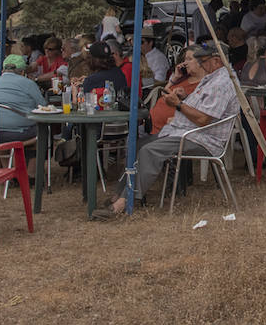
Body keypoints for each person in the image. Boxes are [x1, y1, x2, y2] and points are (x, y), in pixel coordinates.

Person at [92, 44, 238, 217]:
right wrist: (184, 98)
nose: (200, 64)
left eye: (203, 60)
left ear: (217, 61)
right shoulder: (212, 78)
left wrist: (178, 104)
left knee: (149, 150)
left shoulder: (221, 84)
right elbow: (202, 109)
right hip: (187, 132)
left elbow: (203, 119)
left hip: (202, 138)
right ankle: (119, 194)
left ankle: (124, 203)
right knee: (138, 145)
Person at [0, 54, 46, 143]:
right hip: (17, 133)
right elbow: (44, 107)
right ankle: (38, 156)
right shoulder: (28, 83)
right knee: (45, 128)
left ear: (3, 71)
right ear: (23, 72)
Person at [148, 46, 201, 136]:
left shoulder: (204, 84)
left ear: (200, 62)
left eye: (189, 59)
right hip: (153, 125)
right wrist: (175, 78)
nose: (185, 63)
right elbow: (163, 93)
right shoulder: (183, 78)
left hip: (171, 130)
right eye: (184, 60)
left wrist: (185, 97)